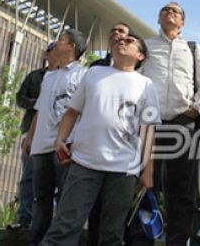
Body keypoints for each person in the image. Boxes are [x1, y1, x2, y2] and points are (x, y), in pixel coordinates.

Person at [39, 34, 160, 246]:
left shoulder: (146, 84)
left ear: (140, 55)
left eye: (130, 41)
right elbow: (71, 113)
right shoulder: (94, 73)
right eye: (119, 39)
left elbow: (148, 130)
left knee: (112, 233)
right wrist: (60, 139)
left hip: (124, 169)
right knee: (64, 226)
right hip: (84, 163)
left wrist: (148, 171)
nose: (122, 41)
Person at [140, 2, 200, 246]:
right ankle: (139, 239)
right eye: (165, 10)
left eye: (176, 11)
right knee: (142, 182)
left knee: (182, 190)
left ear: (182, 22)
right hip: (149, 123)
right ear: (158, 18)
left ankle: (177, 241)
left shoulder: (192, 49)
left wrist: (196, 108)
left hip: (183, 123)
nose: (170, 12)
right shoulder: (146, 46)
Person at [24, 29, 87, 245]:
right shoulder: (49, 76)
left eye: (61, 40)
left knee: (65, 199)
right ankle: (37, 240)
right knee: (40, 198)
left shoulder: (83, 75)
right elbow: (40, 110)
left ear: (72, 47)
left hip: (65, 146)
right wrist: (30, 137)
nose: (56, 43)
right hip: (41, 147)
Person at [86, 22, 130, 246]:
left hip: (123, 153)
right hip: (93, 151)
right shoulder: (95, 68)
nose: (116, 35)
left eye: (122, 32)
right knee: (93, 209)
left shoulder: (135, 71)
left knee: (116, 212)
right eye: (113, 31)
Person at [11, 42, 57, 229]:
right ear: (46, 55)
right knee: (29, 174)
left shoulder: (68, 77)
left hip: (56, 133)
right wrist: (38, 104)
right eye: (51, 51)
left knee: (54, 178)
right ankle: (25, 217)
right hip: (31, 129)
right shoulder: (35, 76)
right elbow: (20, 97)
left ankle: (48, 220)